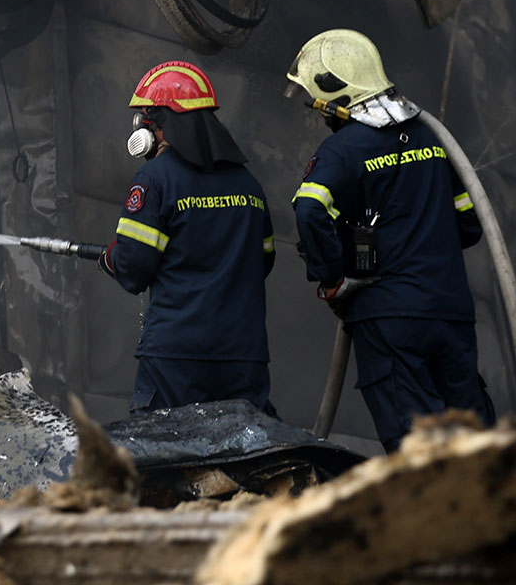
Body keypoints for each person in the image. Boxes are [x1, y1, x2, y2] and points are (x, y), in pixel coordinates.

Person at [284, 28, 495, 450]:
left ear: (336, 95)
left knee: (414, 438)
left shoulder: (343, 149)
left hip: (390, 314)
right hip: (449, 308)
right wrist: (424, 241)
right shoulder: (430, 138)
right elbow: (470, 223)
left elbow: (309, 208)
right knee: (473, 430)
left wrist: (333, 279)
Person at [99, 60, 276, 416]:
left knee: (162, 443)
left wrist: (110, 259)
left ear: (160, 126)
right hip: (243, 353)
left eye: (146, 117)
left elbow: (133, 268)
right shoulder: (249, 186)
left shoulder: (154, 179)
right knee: (247, 446)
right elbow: (264, 261)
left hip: (176, 356)